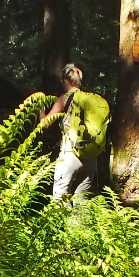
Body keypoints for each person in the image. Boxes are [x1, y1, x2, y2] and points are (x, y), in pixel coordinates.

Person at [46, 63, 98, 201]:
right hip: (91, 155)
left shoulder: (64, 98)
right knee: (82, 201)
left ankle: (65, 222)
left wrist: (40, 110)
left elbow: (45, 124)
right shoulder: (90, 99)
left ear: (65, 81)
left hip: (70, 154)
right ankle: (79, 223)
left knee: (60, 196)